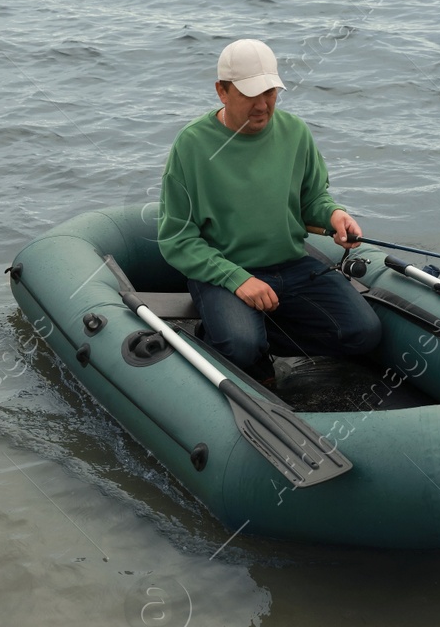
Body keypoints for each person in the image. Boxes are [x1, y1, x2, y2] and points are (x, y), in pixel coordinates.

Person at [157, 38, 382, 383]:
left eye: (271, 93)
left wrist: (333, 215)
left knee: (362, 332)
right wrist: (237, 279)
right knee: (240, 346)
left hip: (292, 266)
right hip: (225, 271)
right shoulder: (191, 145)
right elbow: (177, 239)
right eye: (250, 94)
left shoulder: (295, 132)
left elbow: (312, 200)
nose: (263, 105)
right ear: (222, 91)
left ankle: (251, 337)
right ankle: (229, 340)